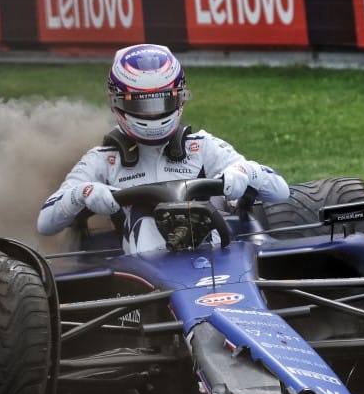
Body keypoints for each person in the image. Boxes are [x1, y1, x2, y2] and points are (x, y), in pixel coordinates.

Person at [38, 44, 289, 254]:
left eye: (164, 101)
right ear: (117, 101)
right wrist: (83, 193)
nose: (155, 113)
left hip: (216, 258)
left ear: (180, 98)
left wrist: (244, 172)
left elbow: (280, 191)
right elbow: (45, 223)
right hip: (141, 277)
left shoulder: (201, 146)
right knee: (145, 221)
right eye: (144, 105)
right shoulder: (104, 160)